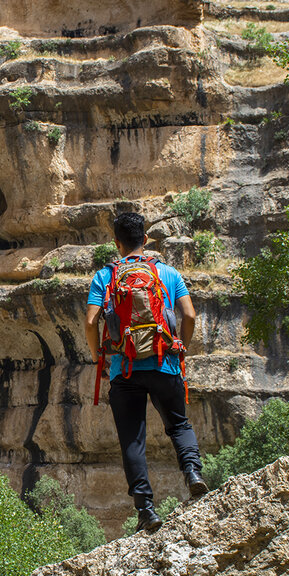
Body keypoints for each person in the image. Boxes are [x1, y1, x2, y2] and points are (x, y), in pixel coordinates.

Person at [84, 212, 207, 534]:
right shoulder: (167, 273)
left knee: (132, 441)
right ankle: (193, 473)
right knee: (178, 423)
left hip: (124, 370)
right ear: (146, 240)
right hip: (165, 362)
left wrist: (98, 351)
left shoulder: (105, 277)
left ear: (117, 242)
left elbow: (90, 322)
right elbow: (189, 315)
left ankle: (146, 510)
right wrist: (182, 346)